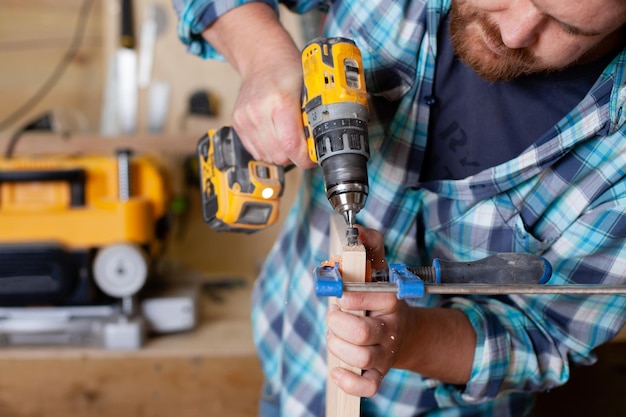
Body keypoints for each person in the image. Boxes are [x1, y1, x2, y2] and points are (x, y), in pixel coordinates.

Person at [174, 0, 626, 415]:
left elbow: (545, 338)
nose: (513, 32)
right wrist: (261, 56)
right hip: (292, 374)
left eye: (568, 27)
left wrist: (407, 337)